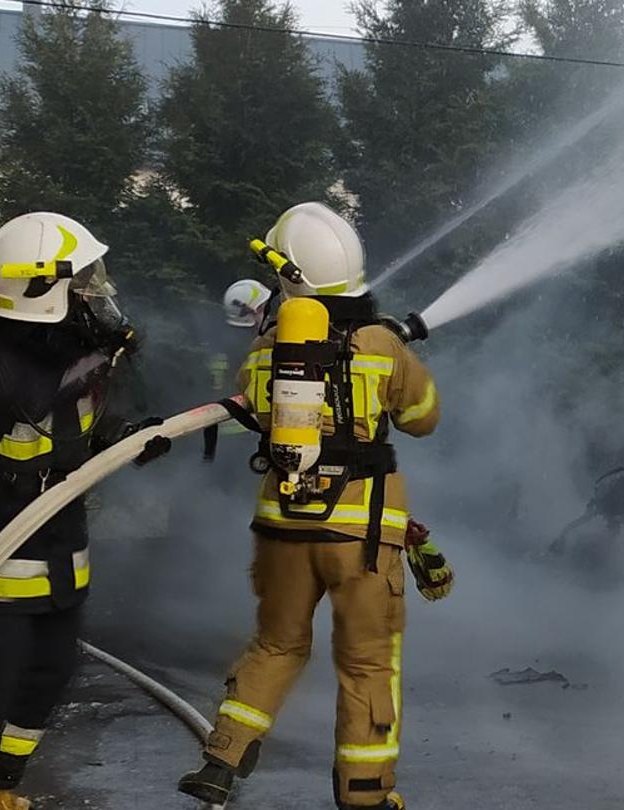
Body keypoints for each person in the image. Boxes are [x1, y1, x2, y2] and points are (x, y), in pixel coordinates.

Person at [179, 202, 450, 809]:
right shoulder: (383, 344)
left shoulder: (270, 345)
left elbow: (252, 412)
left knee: (276, 646)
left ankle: (222, 757)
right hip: (362, 537)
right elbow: (423, 419)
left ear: (289, 277)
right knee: (366, 663)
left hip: (282, 528)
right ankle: (365, 793)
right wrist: (393, 361)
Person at [0, 212, 160, 809]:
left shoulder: (76, 364)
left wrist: (135, 436)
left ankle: (2, 789)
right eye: (83, 284)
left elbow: (81, 435)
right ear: (43, 291)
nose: (98, 295)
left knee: (48, 680)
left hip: (63, 565)